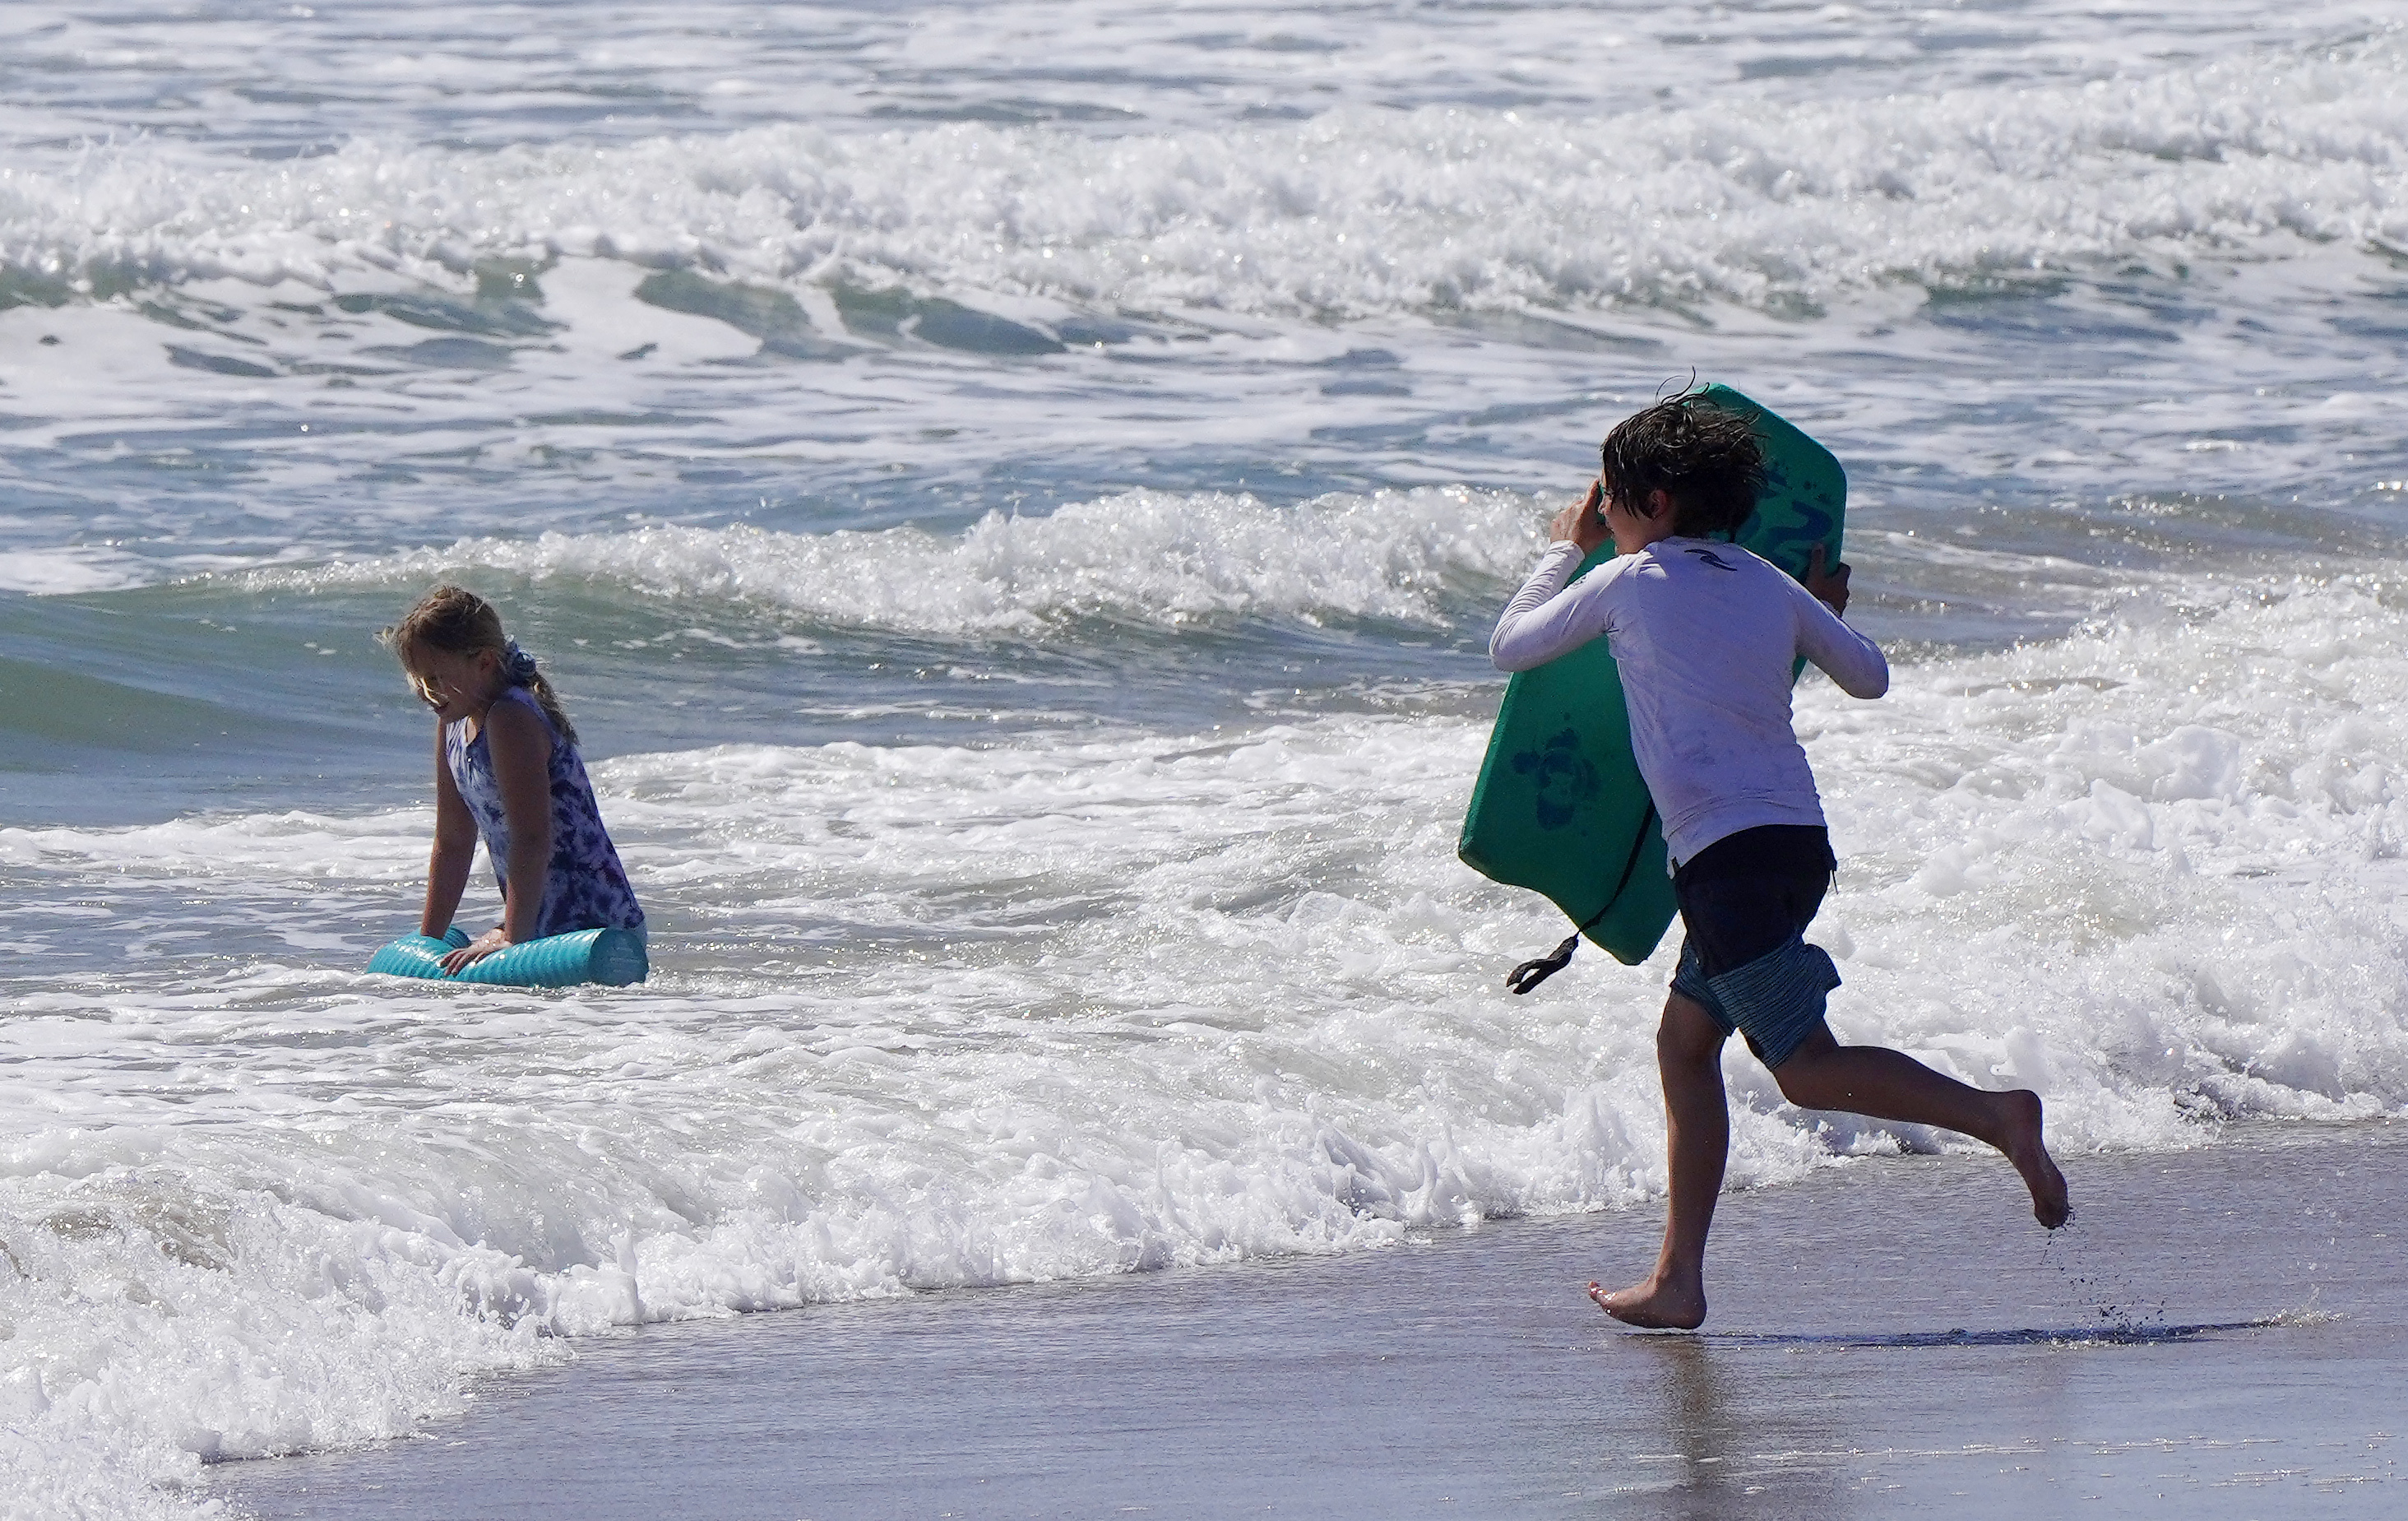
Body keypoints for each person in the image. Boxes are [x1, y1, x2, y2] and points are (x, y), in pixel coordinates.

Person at [1489, 395, 2068, 1331]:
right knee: (1685, 1044)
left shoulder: (1630, 579)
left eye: (1612, 502)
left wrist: (1568, 544)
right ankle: (1679, 1279)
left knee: (1802, 1067)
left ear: (1656, 501)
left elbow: (1511, 644)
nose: (1607, 520)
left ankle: (1998, 1115)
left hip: (1727, 867)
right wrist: (1818, 613)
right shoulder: (1766, 581)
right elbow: (1869, 674)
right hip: (1793, 846)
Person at [382, 585, 645, 973]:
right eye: (418, 679)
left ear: (485, 662)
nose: (426, 693)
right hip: (540, 923)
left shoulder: (510, 718)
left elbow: (532, 836)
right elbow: (452, 842)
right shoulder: (452, 724)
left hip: (595, 931)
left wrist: (512, 940)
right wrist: (428, 945)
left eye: (435, 678)